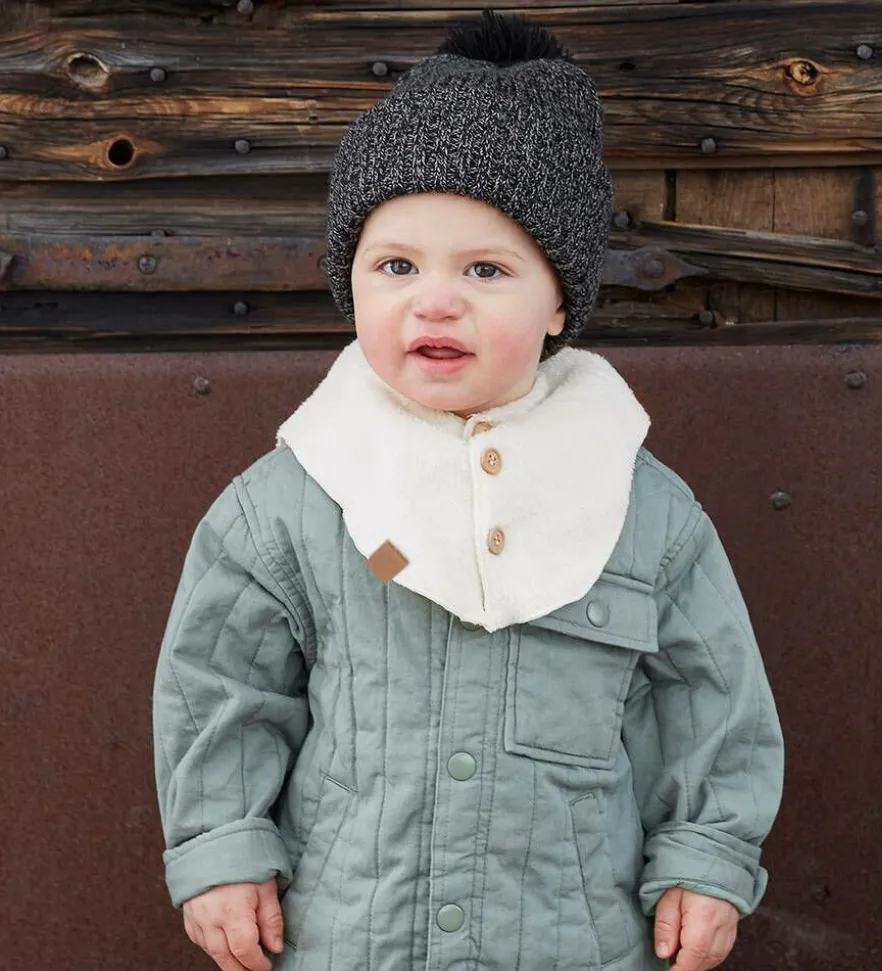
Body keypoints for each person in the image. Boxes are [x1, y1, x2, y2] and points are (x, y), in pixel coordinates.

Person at [152, 10, 784, 971]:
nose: (434, 300)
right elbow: (222, 688)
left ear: (560, 299)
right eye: (396, 264)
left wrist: (708, 854)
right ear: (351, 283)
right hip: (348, 937)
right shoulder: (292, 497)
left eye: (486, 269)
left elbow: (713, 699)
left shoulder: (638, 505)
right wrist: (221, 848)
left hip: (575, 940)